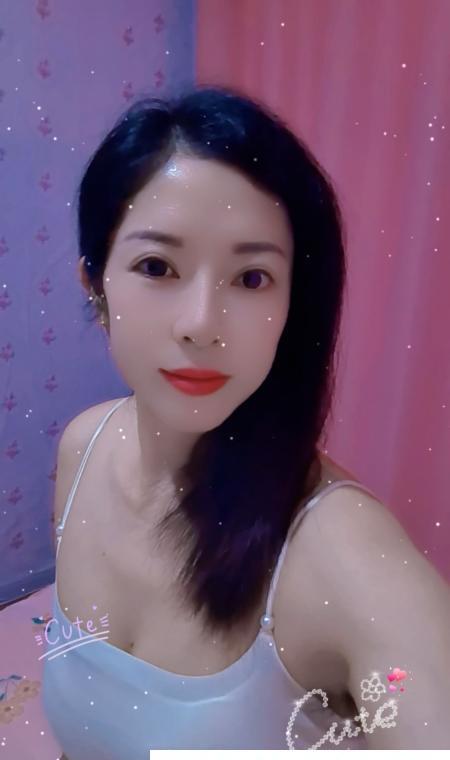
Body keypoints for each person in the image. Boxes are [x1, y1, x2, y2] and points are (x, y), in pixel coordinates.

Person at [42, 84, 450, 758]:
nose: (201, 324)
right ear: (96, 286)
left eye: (252, 278)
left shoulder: (342, 556)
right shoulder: (81, 449)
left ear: (292, 305)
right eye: (156, 267)